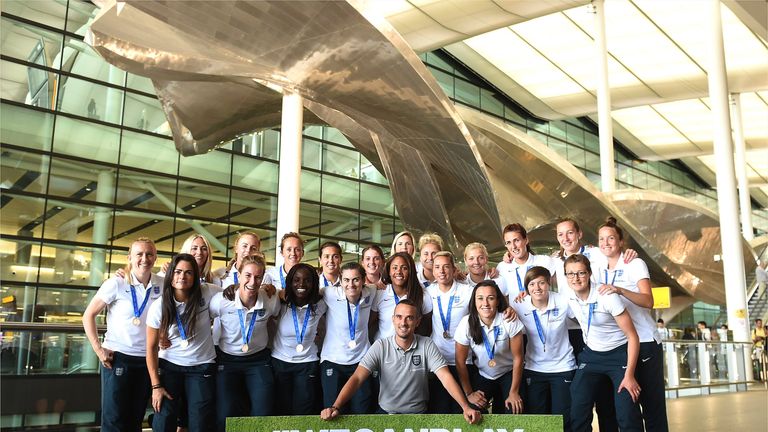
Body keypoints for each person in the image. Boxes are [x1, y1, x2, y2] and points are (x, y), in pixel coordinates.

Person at [319, 300, 482, 424]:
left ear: (417, 321)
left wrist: (465, 407)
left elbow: (446, 378)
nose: (403, 323)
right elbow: (357, 378)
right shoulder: (381, 346)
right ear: (393, 319)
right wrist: (336, 406)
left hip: (419, 417)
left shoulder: (427, 344)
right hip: (386, 415)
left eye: (409, 318)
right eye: (399, 317)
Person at [595, 216, 668, 431]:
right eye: (601, 239)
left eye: (610, 238)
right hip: (621, 345)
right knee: (628, 407)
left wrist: (620, 290)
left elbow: (648, 301)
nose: (606, 243)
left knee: (652, 406)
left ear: (620, 242)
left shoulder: (634, 263)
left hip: (644, 341)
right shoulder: (598, 267)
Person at [83, 237, 163, 432]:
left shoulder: (163, 284)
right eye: (139, 254)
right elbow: (88, 316)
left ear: (155, 257)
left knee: (135, 419)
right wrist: (98, 349)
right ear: (129, 258)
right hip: (118, 359)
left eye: (149, 254)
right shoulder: (116, 283)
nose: (145, 258)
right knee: (113, 420)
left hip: (147, 360)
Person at [564, 254, 643, 432]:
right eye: (570, 274)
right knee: (578, 407)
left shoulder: (606, 296)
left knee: (626, 412)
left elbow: (632, 336)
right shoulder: (568, 297)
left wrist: (629, 375)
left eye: (581, 273)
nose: (576, 278)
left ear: (590, 273)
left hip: (618, 355)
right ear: (566, 277)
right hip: (591, 355)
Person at [146, 254, 217, 432]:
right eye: (178, 272)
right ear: (170, 275)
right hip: (170, 365)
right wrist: (156, 386)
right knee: (164, 420)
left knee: (199, 423)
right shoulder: (159, 306)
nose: (182, 277)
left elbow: (237, 292)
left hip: (201, 366)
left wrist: (268, 288)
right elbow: (151, 347)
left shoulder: (208, 292)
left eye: (188, 273)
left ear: (195, 277)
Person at [209, 255, 280, 431]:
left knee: (262, 411)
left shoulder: (271, 299)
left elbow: (280, 316)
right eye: (247, 275)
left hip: (258, 361)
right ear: (239, 275)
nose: (252, 281)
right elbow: (202, 320)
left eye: (258, 277)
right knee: (225, 413)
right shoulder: (222, 300)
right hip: (227, 360)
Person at [511, 267, 576, 430]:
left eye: (541, 283)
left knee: (562, 420)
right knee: (537, 421)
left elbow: (582, 315)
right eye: (532, 284)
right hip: (534, 369)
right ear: (526, 288)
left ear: (549, 283)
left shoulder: (563, 301)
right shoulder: (519, 305)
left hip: (563, 368)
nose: (537, 288)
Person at [455, 281, 525, 415]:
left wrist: (514, 392)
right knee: (472, 409)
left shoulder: (509, 319)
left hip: (508, 373)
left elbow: (518, 358)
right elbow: (460, 361)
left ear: (498, 301)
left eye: (490, 298)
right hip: (483, 374)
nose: (485, 303)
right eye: (480, 298)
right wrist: (469, 393)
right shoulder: (466, 323)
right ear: (474, 301)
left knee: (514, 409)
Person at [320, 262, 377, 414]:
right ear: (340, 280)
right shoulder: (329, 293)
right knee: (333, 411)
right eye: (346, 280)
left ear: (364, 280)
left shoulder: (372, 292)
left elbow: (379, 285)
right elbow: (308, 293)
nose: (351, 284)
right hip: (333, 360)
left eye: (356, 279)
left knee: (361, 411)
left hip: (361, 361)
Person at [271, 263, 327, 415]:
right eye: (296, 280)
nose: (301, 284)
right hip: (280, 362)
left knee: (303, 410)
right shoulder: (280, 303)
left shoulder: (321, 303)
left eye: (307, 280)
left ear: (314, 283)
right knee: (281, 410)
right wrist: (273, 291)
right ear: (290, 282)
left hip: (307, 363)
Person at [425, 251, 475, 413]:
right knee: (440, 410)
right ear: (433, 271)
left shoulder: (467, 291)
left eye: (446, 267)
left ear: (454, 269)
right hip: (438, 362)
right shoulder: (428, 292)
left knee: (461, 411)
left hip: (464, 361)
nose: (442, 271)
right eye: (437, 267)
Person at [372, 252, 433, 340]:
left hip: (409, 348)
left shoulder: (422, 295)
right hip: (384, 349)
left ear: (410, 271)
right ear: (389, 271)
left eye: (404, 268)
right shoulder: (380, 293)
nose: (399, 272)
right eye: (394, 268)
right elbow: (370, 324)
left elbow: (428, 326)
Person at [497, 223, 558, 297]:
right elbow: (500, 297)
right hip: (516, 308)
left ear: (526, 240)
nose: (513, 246)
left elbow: (560, 287)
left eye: (516, 240)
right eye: (508, 243)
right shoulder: (503, 267)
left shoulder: (544, 261)